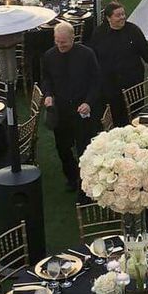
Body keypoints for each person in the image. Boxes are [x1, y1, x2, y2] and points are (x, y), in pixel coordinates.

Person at [41, 22, 100, 191]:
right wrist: (48, 95)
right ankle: (72, 177)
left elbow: (96, 81)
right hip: (61, 111)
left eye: (64, 42)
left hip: (82, 110)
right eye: (57, 41)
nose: (60, 45)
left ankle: (87, 181)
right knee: (63, 148)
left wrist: (88, 102)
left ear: (73, 38)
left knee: (84, 147)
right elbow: (46, 79)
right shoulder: (49, 56)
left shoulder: (87, 54)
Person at [88, 2, 148, 126]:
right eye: (118, 15)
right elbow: (93, 55)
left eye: (123, 14)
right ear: (108, 18)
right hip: (110, 82)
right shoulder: (99, 33)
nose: (122, 17)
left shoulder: (133, 30)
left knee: (136, 111)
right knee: (116, 112)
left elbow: (146, 51)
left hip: (132, 80)